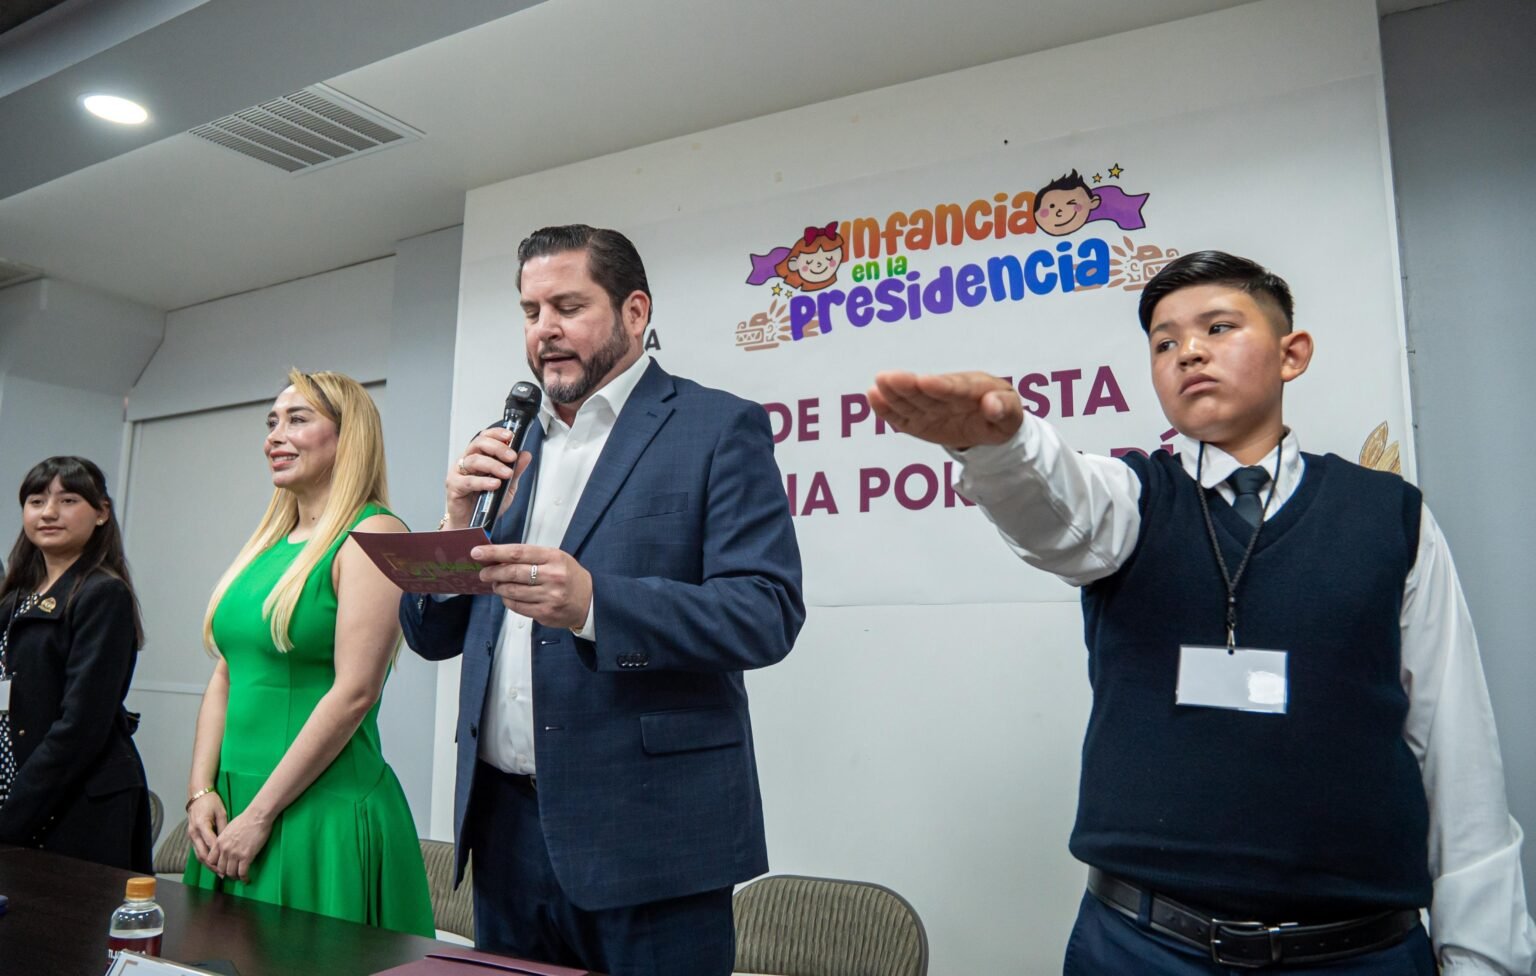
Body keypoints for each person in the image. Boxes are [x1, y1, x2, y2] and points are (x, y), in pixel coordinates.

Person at [868, 250, 1536, 974]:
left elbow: (1456, 747)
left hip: (1355, 950)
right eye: (1164, 343)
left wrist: (1483, 958)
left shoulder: (1390, 516)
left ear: (1292, 354)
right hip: (1143, 946)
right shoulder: (1132, 497)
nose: (1188, 351)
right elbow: (1055, 510)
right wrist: (1000, 448)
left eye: (1218, 328)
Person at [400, 224, 804, 976]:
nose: (544, 330)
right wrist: (456, 523)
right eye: (530, 312)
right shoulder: (506, 444)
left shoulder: (717, 427)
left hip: (651, 838)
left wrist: (595, 605)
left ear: (634, 312)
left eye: (568, 306)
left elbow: (765, 611)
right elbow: (432, 637)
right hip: (505, 832)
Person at [182, 369, 433, 937]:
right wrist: (201, 791)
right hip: (234, 804)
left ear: (349, 437)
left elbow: (356, 692)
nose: (275, 436)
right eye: (271, 422)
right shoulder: (269, 544)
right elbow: (227, 672)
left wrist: (261, 814)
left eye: (297, 420)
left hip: (314, 809)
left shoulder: (376, 533)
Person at [0, 456, 152, 871]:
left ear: (101, 512)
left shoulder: (103, 594)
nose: (48, 513)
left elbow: (81, 725)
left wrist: (12, 817)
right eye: (36, 501)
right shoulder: (15, 599)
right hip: (23, 792)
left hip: (76, 802)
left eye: (67, 500)